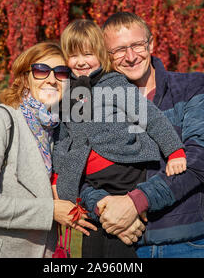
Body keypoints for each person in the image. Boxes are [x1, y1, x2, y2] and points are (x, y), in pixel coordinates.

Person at [81, 12, 204, 258]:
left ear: (151, 44)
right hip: (121, 241)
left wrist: (136, 201)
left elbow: (202, 159)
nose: (131, 56)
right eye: (119, 50)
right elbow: (79, 170)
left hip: (185, 243)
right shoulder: (94, 104)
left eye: (137, 45)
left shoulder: (190, 87)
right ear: (107, 55)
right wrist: (105, 209)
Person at [0, 41, 96, 258]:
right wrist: (50, 211)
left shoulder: (56, 131)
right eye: (41, 70)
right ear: (24, 78)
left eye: (61, 72)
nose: (52, 79)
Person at [51, 19, 187, 258]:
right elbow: (64, 139)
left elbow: (151, 117)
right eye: (73, 55)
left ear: (101, 54)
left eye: (88, 53)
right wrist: (58, 175)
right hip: (91, 178)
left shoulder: (114, 84)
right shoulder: (69, 93)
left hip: (123, 168)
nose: (81, 61)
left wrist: (174, 150)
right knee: (92, 239)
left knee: (119, 244)